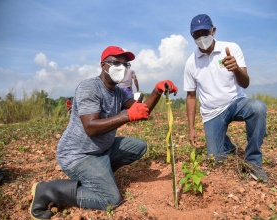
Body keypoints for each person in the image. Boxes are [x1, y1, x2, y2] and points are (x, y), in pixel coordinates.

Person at [29, 45, 178, 219]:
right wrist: (126, 116)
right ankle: (48, 190)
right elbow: (91, 128)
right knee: (110, 199)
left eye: (126, 64)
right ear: (103, 65)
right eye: (116, 62)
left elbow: (142, 110)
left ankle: (99, 174)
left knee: (139, 146)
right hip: (78, 155)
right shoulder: (89, 88)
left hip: (102, 150)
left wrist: (157, 91)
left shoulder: (119, 93)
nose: (121, 68)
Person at [183, 14, 268, 182]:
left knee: (258, 108)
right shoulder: (191, 63)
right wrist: (191, 128)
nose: (201, 37)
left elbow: (245, 83)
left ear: (213, 31)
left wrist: (236, 69)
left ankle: (253, 162)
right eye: (196, 34)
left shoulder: (231, 48)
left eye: (204, 32)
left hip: (236, 103)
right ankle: (228, 146)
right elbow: (191, 96)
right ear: (192, 36)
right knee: (216, 160)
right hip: (212, 113)